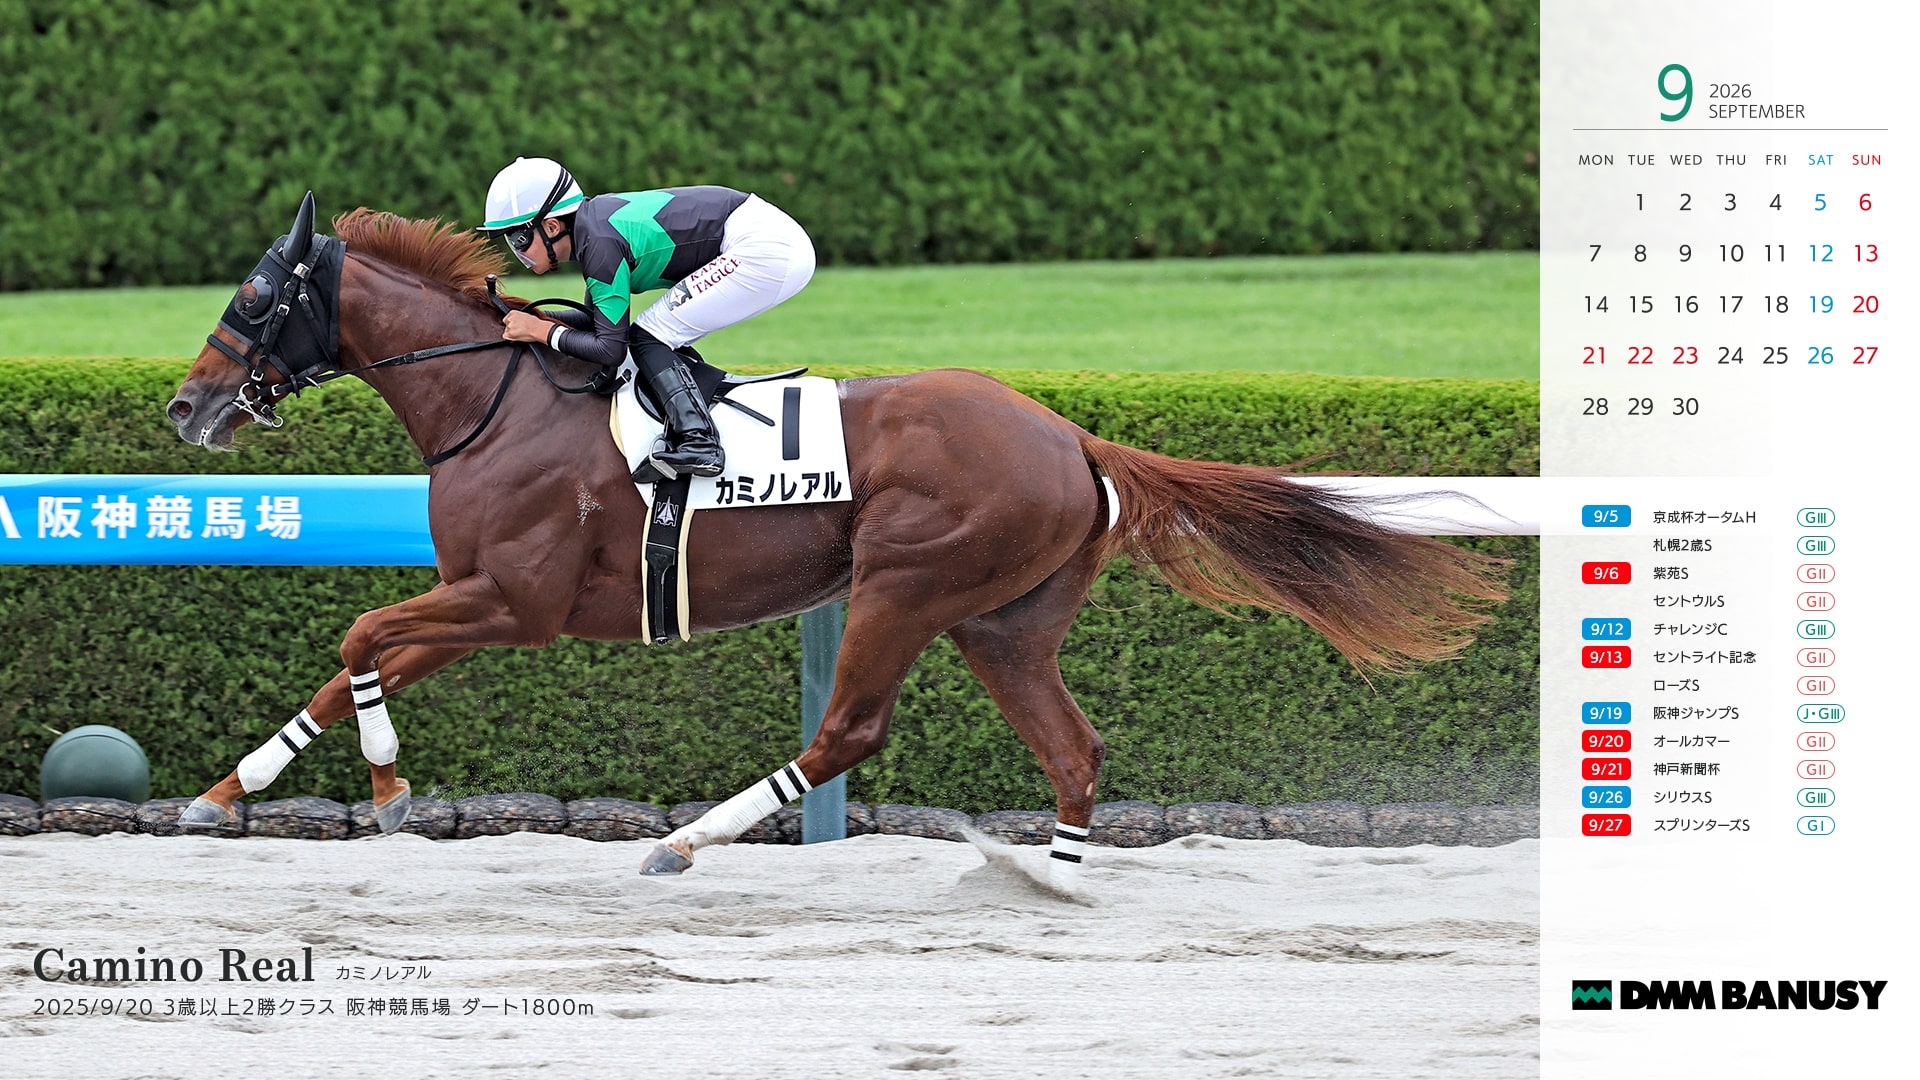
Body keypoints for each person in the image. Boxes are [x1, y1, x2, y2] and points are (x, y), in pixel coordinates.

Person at [477, 157, 816, 479]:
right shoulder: (593, 232)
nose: (516, 250)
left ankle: (700, 443)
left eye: (519, 238)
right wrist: (533, 318)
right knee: (654, 336)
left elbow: (610, 349)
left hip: (764, 247)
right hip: (764, 238)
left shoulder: (599, 243)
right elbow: (596, 322)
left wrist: (540, 331)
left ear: (552, 226)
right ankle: (693, 421)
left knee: (648, 337)